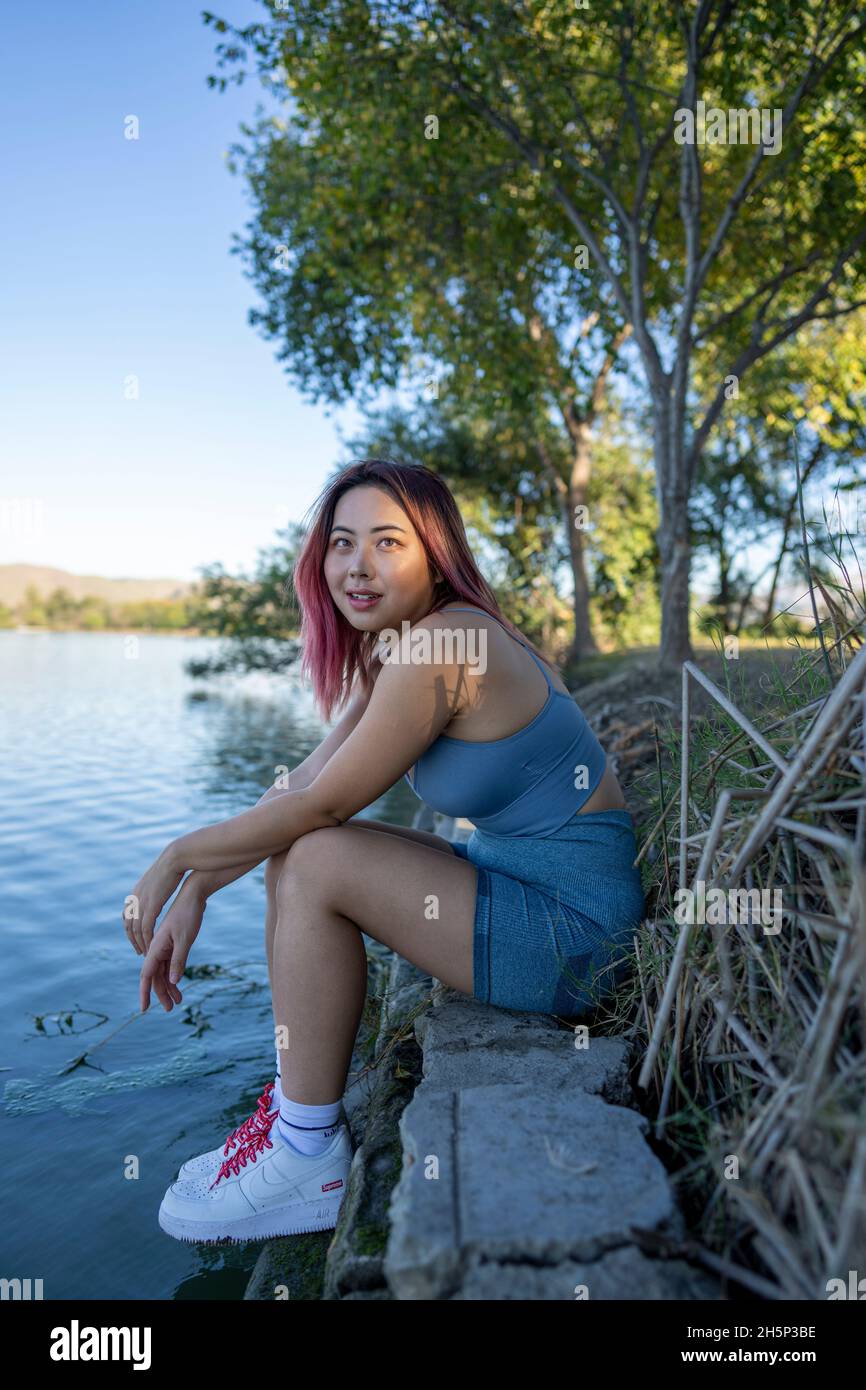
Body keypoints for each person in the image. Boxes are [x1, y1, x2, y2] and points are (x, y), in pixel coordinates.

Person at [125, 458, 645, 1245]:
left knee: (319, 857)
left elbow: (326, 807)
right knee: (305, 850)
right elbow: (299, 787)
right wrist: (200, 885)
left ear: (434, 553)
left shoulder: (450, 643)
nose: (356, 566)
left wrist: (174, 858)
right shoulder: (399, 649)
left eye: (386, 542)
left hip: (575, 934)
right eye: (340, 542)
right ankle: (294, 1123)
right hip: (522, 884)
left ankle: (307, 1154)